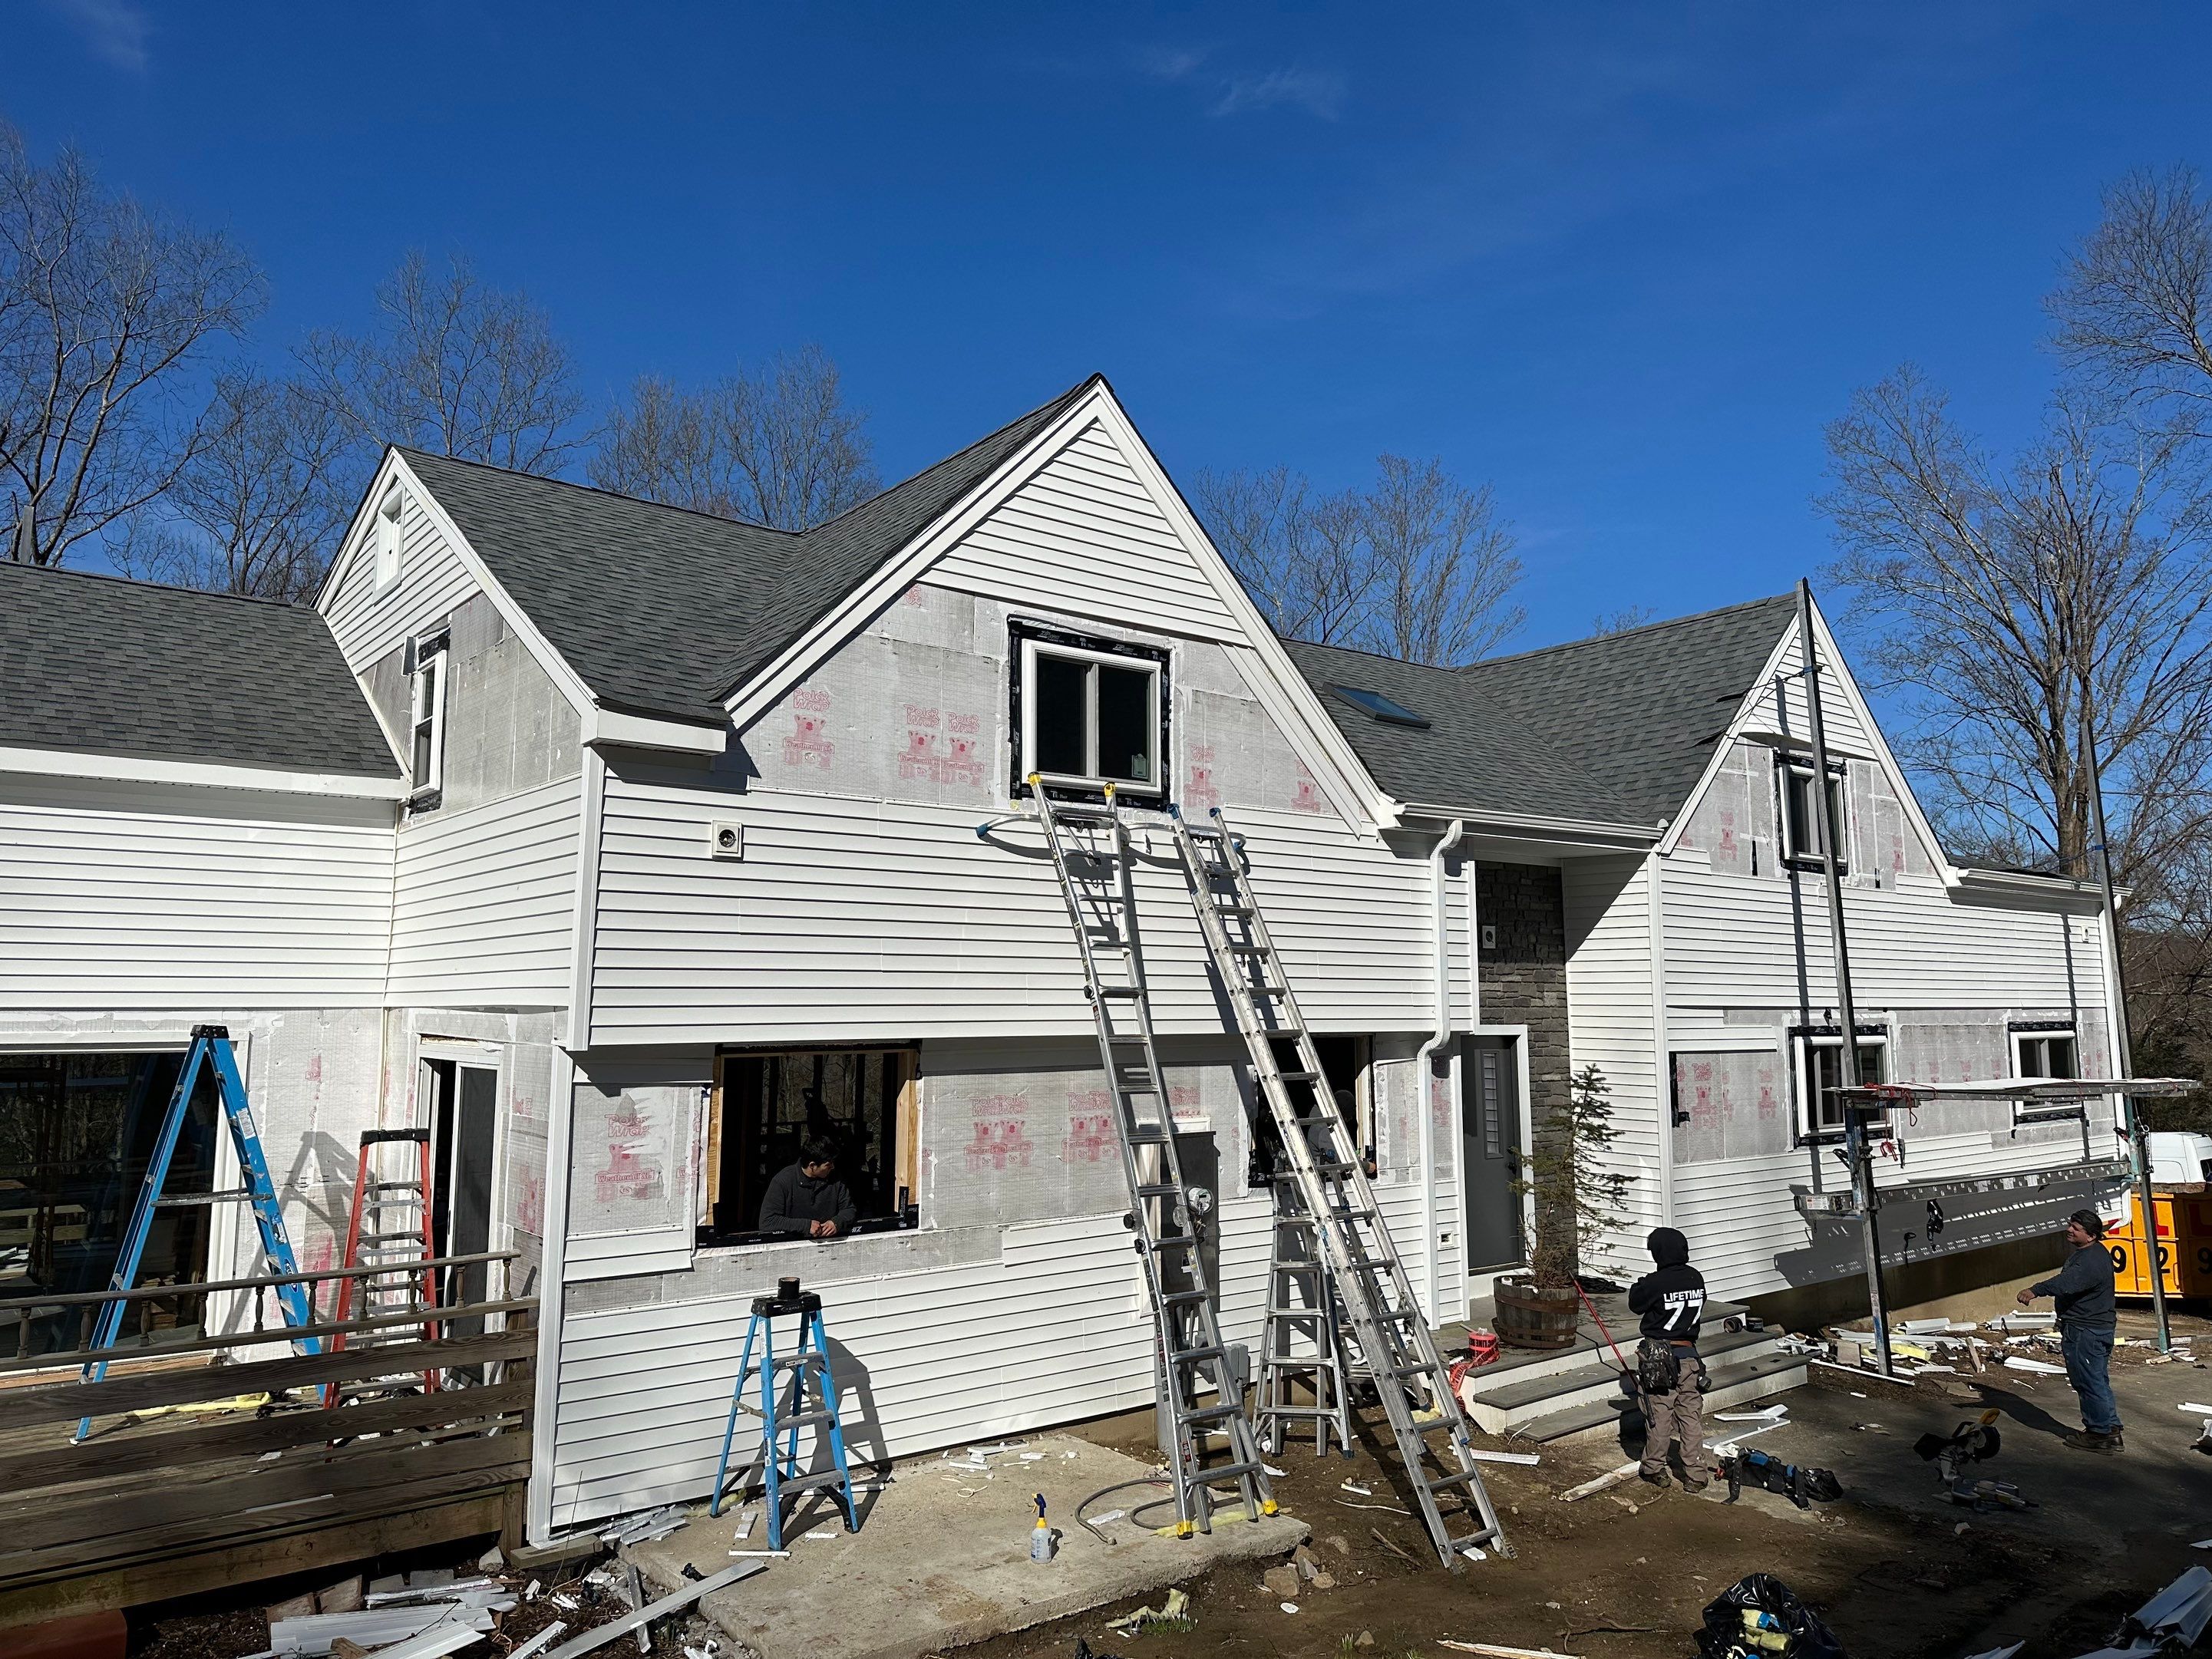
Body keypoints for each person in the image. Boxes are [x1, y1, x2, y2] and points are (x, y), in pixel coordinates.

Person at [2016, 1208, 2121, 1451]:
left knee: (2088, 1381)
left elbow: (2066, 1283)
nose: (2069, 1230)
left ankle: (2099, 1434)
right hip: (2092, 1328)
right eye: (2070, 1224)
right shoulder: (2091, 1253)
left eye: (2076, 1228)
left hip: (2086, 1331)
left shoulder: (2091, 1260)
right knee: (2097, 1380)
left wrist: (2035, 1290)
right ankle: (2110, 1429)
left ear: (2091, 1235)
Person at [1628, 1225, 1710, 1489]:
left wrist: (1643, 1283)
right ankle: (1696, 1475)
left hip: (1658, 1360)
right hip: (1689, 1357)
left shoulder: (1655, 1282)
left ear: (1658, 1253)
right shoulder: (1695, 1278)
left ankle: (1654, 1469)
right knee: (1690, 1416)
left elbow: (1635, 1303)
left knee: (1659, 1414)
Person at [758, 1138, 857, 1241]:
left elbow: (849, 1210)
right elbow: (768, 1221)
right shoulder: (783, 1181)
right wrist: (806, 1226)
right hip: (793, 1243)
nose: (832, 1167)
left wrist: (837, 1222)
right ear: (812, 1165)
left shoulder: (836, 1179)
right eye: (828, 1165)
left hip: (830, 1242)